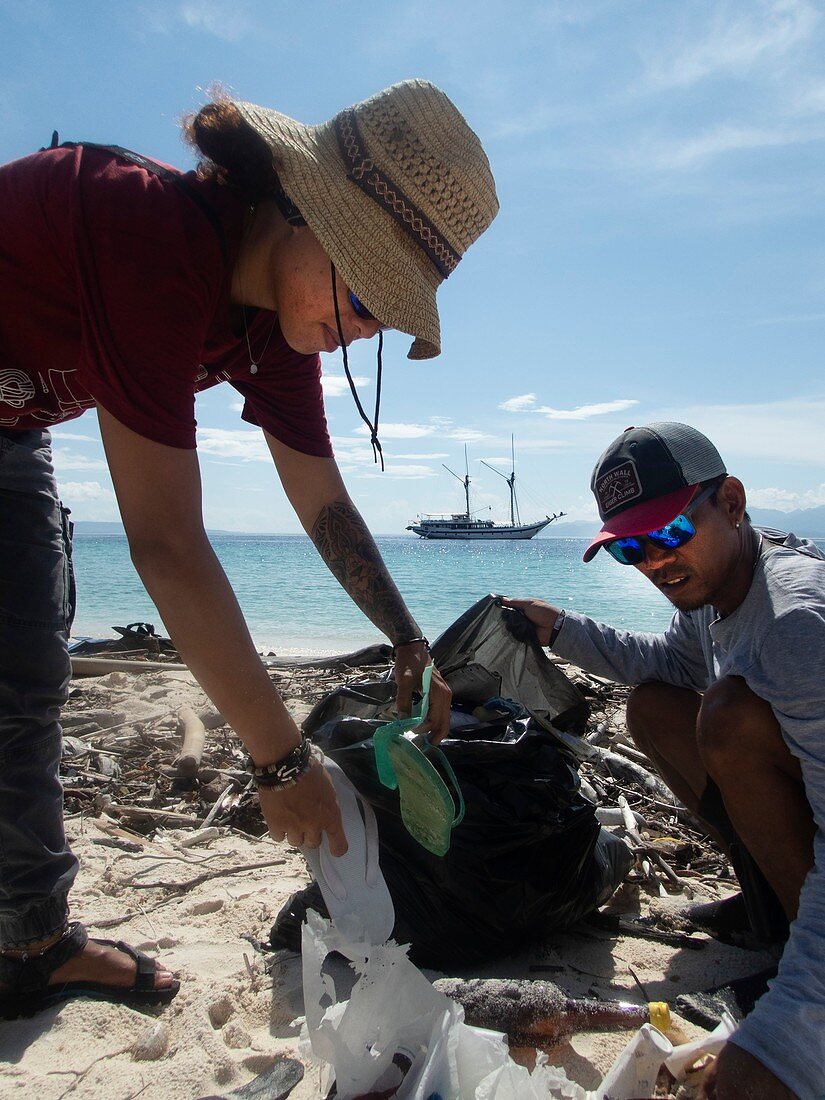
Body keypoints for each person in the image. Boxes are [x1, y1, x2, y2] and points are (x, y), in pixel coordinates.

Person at [0, 80, 498, 1016]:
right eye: (367, 292)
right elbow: (165, 544)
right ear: (301, 208)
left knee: (25, 678)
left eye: (388, 315)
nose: (368, 327)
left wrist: (407, 639)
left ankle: (29, 941)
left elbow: (324, 503)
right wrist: (278, 762)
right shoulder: (146, 229)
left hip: (10, 426)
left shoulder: (275, 330)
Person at [503, 422, 824, 1100]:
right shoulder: (714, 591)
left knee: (728, 718)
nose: (653, 561)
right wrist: (557, 628)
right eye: (629, 550)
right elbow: (673, 666)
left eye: (669, 533)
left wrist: (784, 1032)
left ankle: (799, 938)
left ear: (730, 502)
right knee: (653, 706)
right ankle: (774, 910)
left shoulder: (794, 622)